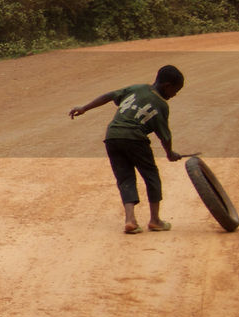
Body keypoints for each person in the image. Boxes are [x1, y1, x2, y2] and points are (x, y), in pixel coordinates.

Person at [68, 65, 186, 234]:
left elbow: (109, 96)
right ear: (167, 85)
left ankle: (130, 220)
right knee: (151, 175)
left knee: (125, 178)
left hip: (112, 136)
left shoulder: (137, 88)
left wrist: (84, 107)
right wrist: (170, 153)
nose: (175, 95)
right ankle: (155, 220)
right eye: (176, 90)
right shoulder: (161, 104)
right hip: (135, 138)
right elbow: (165, 136)